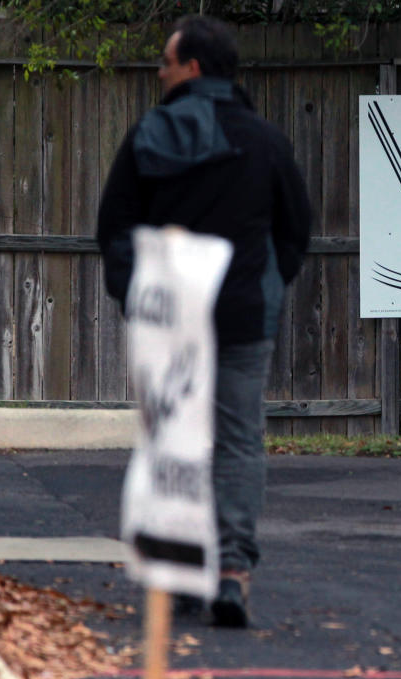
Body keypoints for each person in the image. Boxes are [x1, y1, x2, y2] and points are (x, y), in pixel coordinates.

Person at [97, 15, 312, 627]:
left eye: (165, 62)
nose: (159, 72)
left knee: (174, 440)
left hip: (169, 315)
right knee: (240, 438)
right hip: (244, 311)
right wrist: (270, 284)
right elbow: (296, 229)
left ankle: (182, 568)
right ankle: (234, 570)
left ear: (191, 68)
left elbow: (113, 227)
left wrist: (133, 295)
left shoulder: (149, 134)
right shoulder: (266, 141)